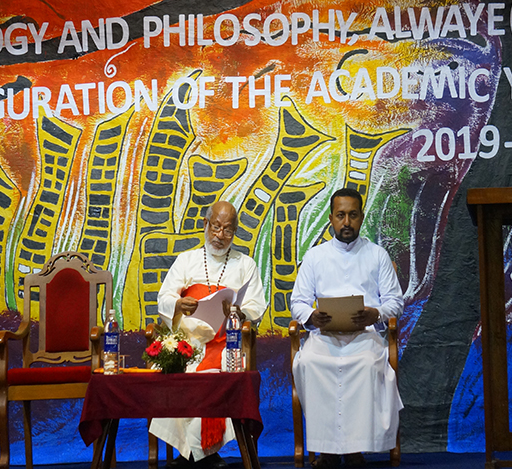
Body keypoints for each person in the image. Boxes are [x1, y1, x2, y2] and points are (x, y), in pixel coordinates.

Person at [290, 187, 404, 468]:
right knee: (310, 362)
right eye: (340, 215)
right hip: (324, 336)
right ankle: (326, 451)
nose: (346, 222)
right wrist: (311, 317)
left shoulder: (377, 255)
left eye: (353, 215)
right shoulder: (315, 257)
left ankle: (356, 450)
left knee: (367, 364)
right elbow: (298, 302)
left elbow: (395, 302)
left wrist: (376, 314)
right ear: (331, 218)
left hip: (364, 336)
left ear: (361, 217)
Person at [148, 201, 266, 469]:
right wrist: (178, 304)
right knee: (180, 368)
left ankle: (198, 454)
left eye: (228, 230)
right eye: (216, 227)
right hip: (188, 341)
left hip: (227, 343)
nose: (220, 235)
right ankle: (198, 454)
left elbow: (256, 307)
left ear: (234, 232)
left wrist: (238, 312)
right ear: (205, 224)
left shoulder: (245, 264)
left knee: (218, 372)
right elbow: (164, 297)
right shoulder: (186, 260)